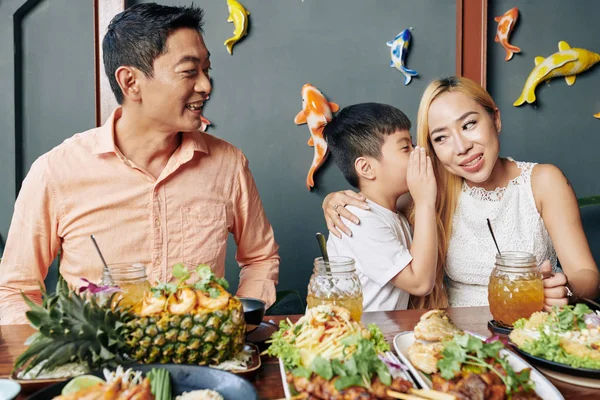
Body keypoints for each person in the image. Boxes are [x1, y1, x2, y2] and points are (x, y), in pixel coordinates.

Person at [0, 3, 279, 325]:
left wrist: (238, 324)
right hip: (104, 367)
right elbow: (15, 289)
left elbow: (260, 257)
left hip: (204, 359)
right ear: (131, 82)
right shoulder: (56, 172)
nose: (205, 85)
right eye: (189, 71)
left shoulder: (228, 165)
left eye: (207, 70)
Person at [323, 76, 600, 310]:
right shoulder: (430, 192)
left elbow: (587, 276)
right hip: (457, 342)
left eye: (469, 125)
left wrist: (563, 289)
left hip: (531, 331)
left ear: (496, 119)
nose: (461, 146)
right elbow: (375, 202)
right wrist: (333, 200)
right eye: (441, 138)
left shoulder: (544, 181)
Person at [322, 103, 441, 311]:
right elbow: (420, 283)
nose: (417, 153)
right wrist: (424, 202)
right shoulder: (359, 220)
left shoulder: (393, 214)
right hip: (348, 338)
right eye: (406, 148)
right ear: (366, 168)